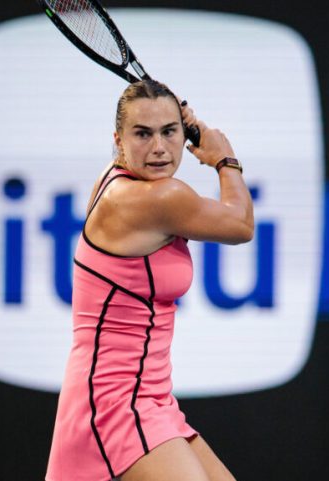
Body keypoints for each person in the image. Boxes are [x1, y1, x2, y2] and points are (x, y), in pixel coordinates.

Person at [45, 79, 253, 481]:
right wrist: (224, 158)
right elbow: (241, 224)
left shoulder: (118, 177)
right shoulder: (155, 199)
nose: (158, 147)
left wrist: (175, 120)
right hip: (110, 404)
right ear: (119, 140)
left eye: (169, 132)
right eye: (142, 134)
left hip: (151, 399)